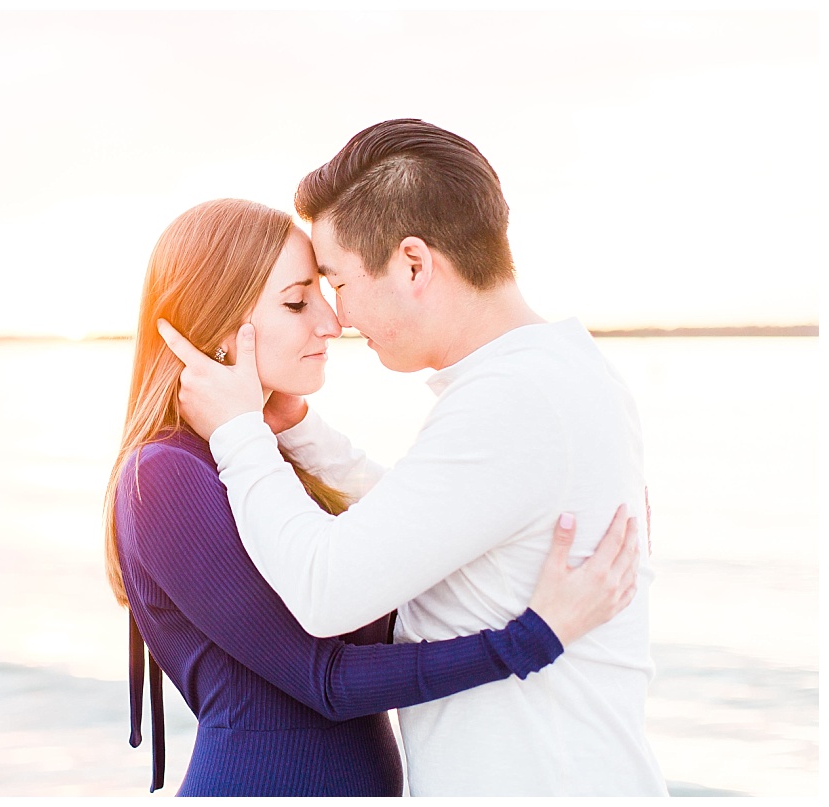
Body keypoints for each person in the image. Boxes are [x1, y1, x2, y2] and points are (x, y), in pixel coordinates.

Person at [158, 121, 668, 796]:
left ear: (414, 264)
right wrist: (301, 432)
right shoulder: (557, 376)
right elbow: (430, 522)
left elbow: (324, 590)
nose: (336, 319)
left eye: (335, 281)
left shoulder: (511, 401)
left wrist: (238, 434)